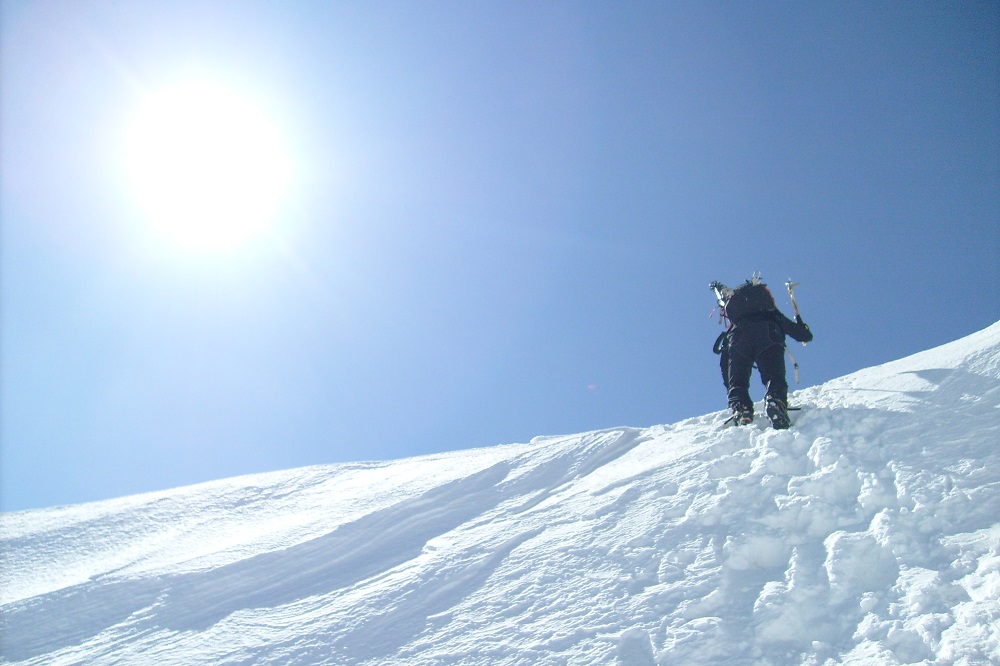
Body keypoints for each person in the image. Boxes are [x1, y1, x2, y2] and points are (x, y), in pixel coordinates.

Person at [712, 275, 813, 428]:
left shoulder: (735, 323)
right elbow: (802, 335)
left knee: (738, 380)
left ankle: (741, 408)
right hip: (768, 333)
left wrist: (730, 389)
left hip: (737, 338)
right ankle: (775, 400)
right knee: (773, 375)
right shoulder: (771, 313)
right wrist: (803, 328)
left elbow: (725, 365)